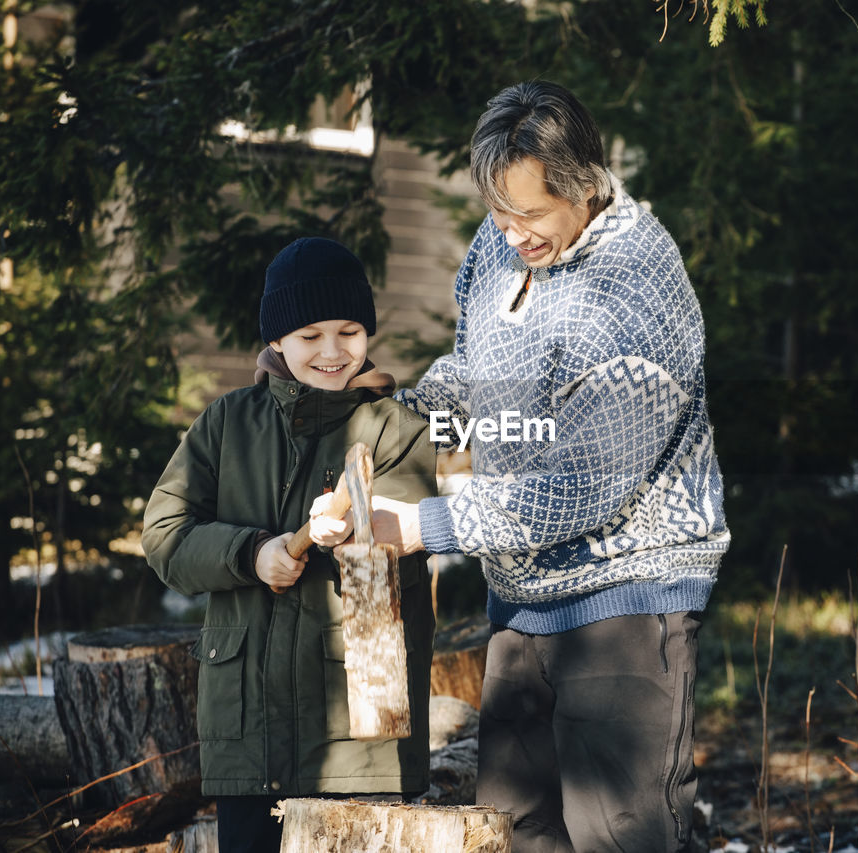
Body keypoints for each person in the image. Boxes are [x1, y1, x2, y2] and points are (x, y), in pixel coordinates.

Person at [314, 80, 730, 852]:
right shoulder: (496, 249)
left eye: (531, 215)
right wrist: (400, 413)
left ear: (585, 186)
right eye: (499, 213)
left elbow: (586, 485)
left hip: (623, 605)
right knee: (517, 827)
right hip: (522, 596)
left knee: (620, 832)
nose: (511, 235)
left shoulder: (636, 289)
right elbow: (478, 375)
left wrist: (425, 525)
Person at [142, 237, 437, 853]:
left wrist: (356, 535)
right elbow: (166, 536)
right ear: (276, 339)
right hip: (249, 737)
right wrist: (252, 554)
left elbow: (396, 559)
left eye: (349, 331)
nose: (332, 352)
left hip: (362, 746)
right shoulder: (226, 424)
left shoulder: (396, 432)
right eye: (309, 335)